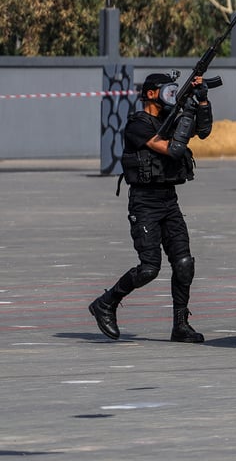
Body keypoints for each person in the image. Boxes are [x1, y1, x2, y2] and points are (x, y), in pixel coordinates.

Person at [88, 72, 212, 343]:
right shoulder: (138, 125)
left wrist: (201, 102)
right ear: (153, 93)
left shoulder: (169, 120)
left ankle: (180, 326)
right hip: (145, 202)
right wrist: (187, 111)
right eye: (168, 90)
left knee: (184, 264)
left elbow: (203, 131)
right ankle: (106, 303)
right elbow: (173, 150)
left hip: (169, 199)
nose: (172, 95)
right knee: (149, 268)